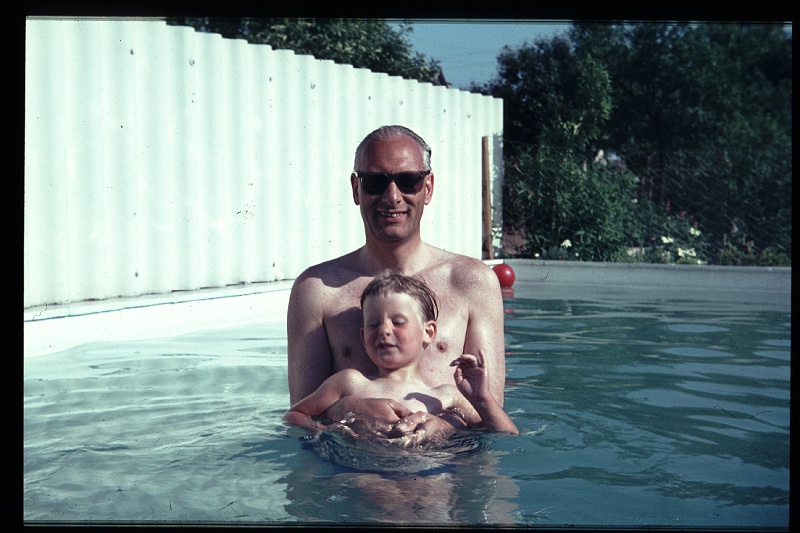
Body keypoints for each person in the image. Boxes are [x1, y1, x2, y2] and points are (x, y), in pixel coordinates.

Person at [287, 125, 506, 441]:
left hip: (448, 463)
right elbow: (299, 421)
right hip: (349, 464)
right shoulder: (317, 289)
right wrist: (347, 409)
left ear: (427, 187)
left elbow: (492, 421)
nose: (392, 196)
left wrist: (446, 428)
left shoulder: (473, 282)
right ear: (356, 189)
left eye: (408, 180)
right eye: (375, 182)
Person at [283, 271, 518, 440]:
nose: (384, 330)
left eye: (398, 322)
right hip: (364, 476)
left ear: (428, 332)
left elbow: (506, 435)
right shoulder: (349, 382)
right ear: (363, 336)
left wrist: (483, 399)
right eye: (374, 324)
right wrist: (326, 432)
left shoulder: (446, 396)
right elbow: (294, 415)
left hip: (431, 478)